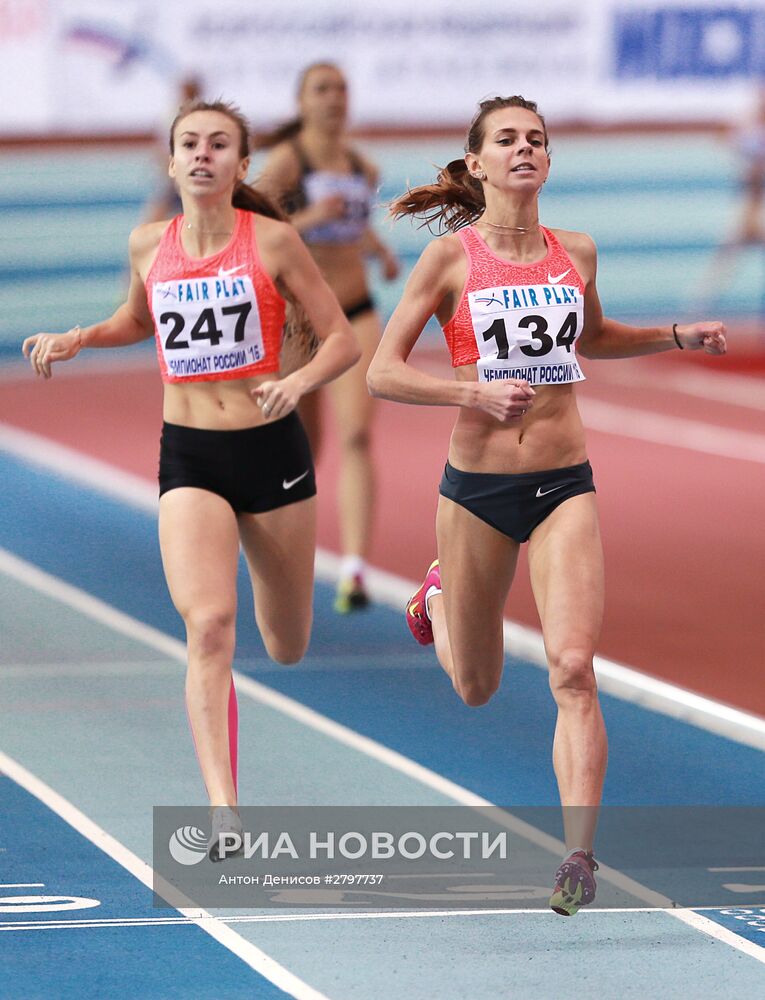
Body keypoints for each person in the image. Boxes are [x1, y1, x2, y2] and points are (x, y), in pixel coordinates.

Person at [366, 95, 727, 916]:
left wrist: (673, 334)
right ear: (478, 162)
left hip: (565, 482)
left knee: (572, 668)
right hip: (477, 492)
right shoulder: (449, 262)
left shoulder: (577, 253)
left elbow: (590, 338)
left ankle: (578, 856)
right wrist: (472, 390)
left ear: (547, 161)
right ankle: (437, 601)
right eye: (506, 139)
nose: (523, 148)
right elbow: (381, 372)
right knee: (475, 687)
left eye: (536, 139)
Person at [22, 99, 360, 860]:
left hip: (271, 451)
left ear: (241, 165)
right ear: (171, 164)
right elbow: (137, 321)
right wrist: (80, 337)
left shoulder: (272, 241)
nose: (203, 155)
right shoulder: (148, 243)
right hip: (192, 458)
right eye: (189, 145)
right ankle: (223, 810)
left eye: (218, 145)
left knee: (286, 645)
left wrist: (299, 383)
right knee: (208, 627)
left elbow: (340, 341)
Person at [255, 62, 400, 613]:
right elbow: (255, 228)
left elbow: (356, 222)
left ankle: (355, 567)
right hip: (302, 317)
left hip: (358, 307)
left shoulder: (363, 164)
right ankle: (285, 549)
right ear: (302, 100)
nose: (335, 98)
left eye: (342, 88)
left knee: (358, 435)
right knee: (302, 447)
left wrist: (379, 252)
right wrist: (311, 214)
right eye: (322, 88)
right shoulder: (290, 160)